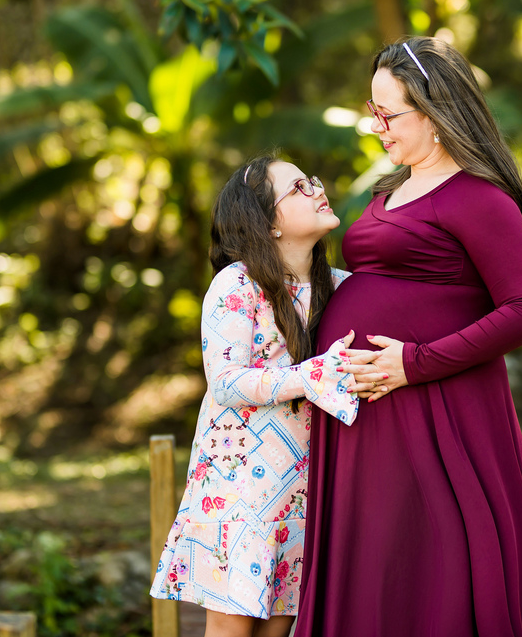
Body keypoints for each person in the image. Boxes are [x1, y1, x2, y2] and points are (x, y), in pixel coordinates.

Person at [293, 37, 522, 636]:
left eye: (388, 114)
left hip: (435, 407)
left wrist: (415, 363)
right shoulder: (389, 191)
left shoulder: (478, 197)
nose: (377, 128)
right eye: (374, 113)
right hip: (363, 415)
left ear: (435, 109)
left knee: (438, 561)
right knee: (378, 561)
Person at [150, 156, 377, 637]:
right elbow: (227, 381)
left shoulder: (339, 288)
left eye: (312, 180)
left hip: (302, 493)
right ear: (268, 223)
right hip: (237, 494)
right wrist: (311, 375)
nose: (316, 188)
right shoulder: (236, 284)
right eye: (298, 188)